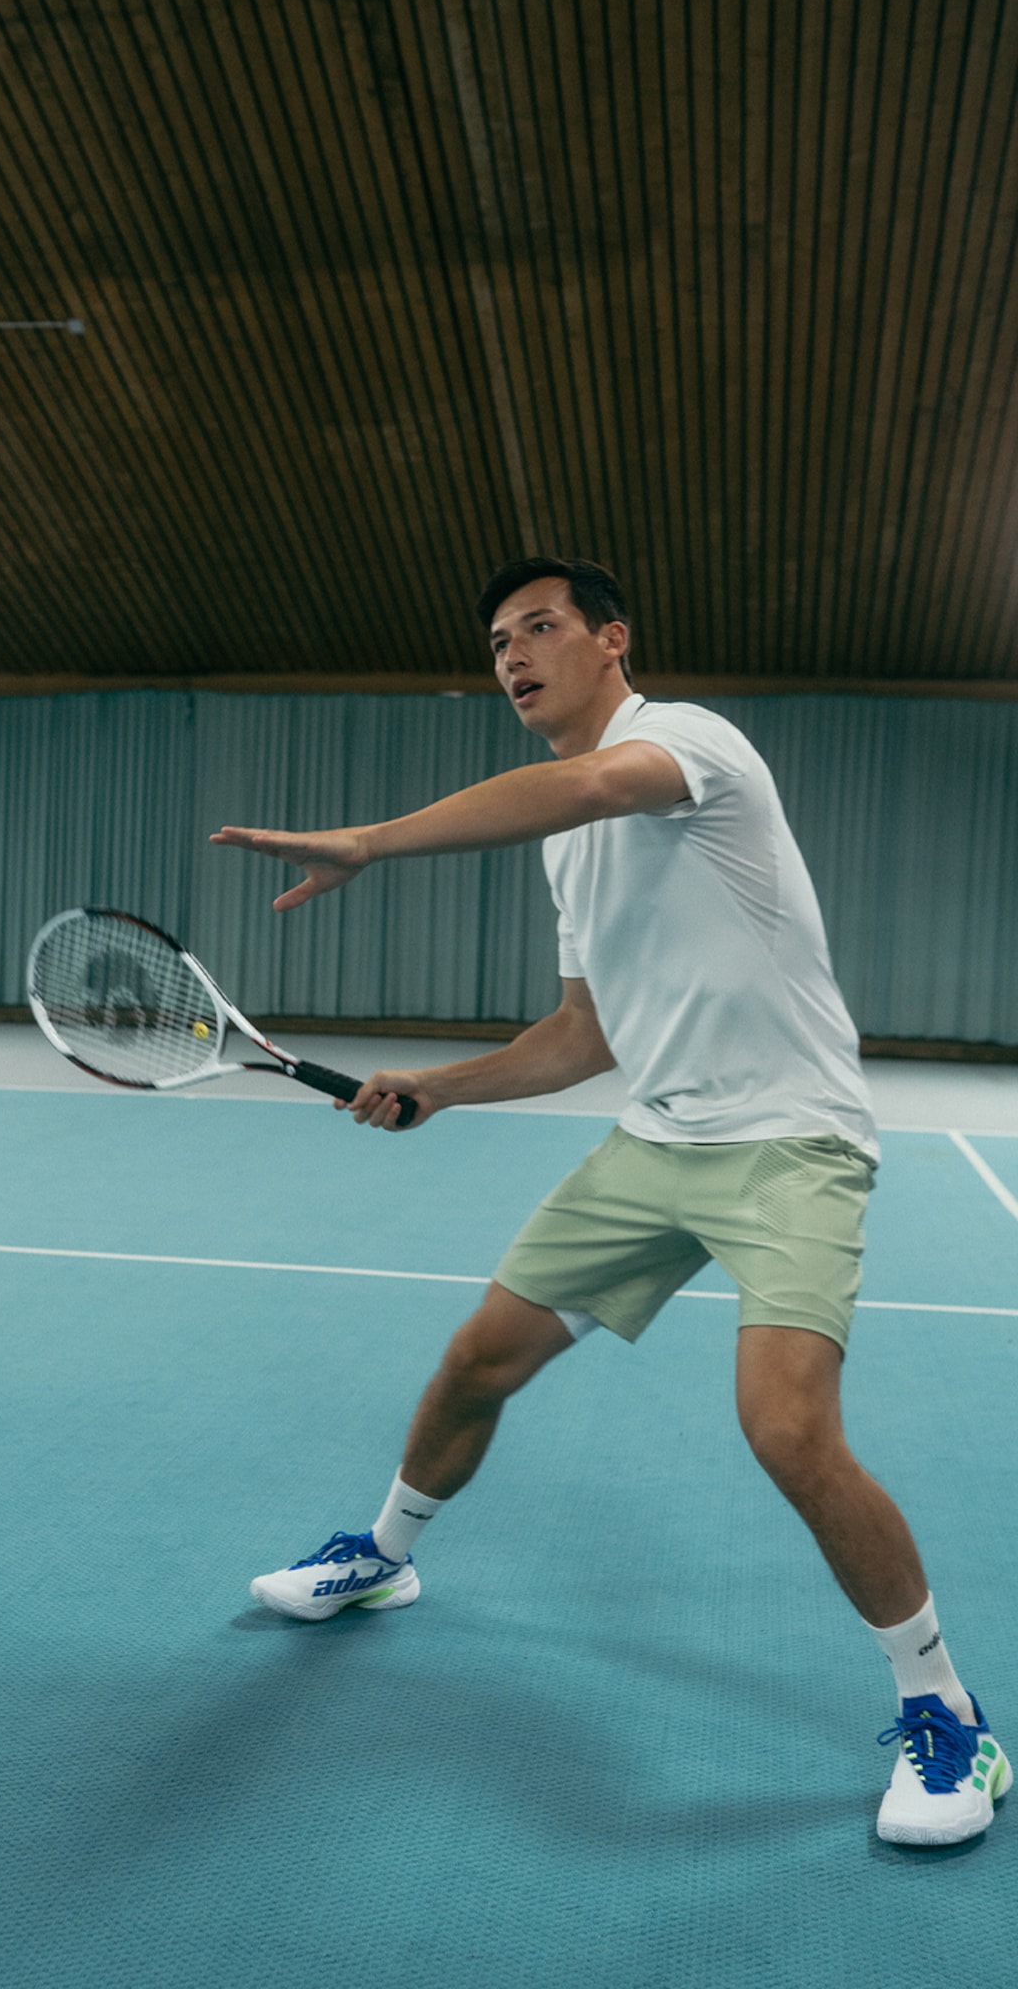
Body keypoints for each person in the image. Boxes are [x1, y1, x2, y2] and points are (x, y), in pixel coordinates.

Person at [211, 555, 1007, 1849]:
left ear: (611, 641)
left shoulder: (686, 745)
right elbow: (587, 1035)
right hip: (654, 1147)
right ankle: (387, 1554)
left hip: (790, 1145)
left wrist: (370, 839)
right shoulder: (573, 859)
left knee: (788, 1431)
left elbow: (579, 784)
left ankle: (949, 1716)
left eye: (539, 628)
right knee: (478, 1360)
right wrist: (445, 1088)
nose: (514, 655)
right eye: (496, 644)